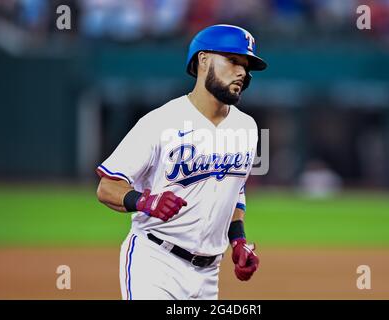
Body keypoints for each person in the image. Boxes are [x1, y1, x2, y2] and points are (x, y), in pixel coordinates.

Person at [96, 24, 267, 300]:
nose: (242, 73)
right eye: (233, 60)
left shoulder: (247, 127)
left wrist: (238, 240)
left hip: (209, 275)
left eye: (246, 66)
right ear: (203, 60)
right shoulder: (160, 122)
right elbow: (107, 187)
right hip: (154, 263)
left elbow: (236, 191)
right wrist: (145, 202)